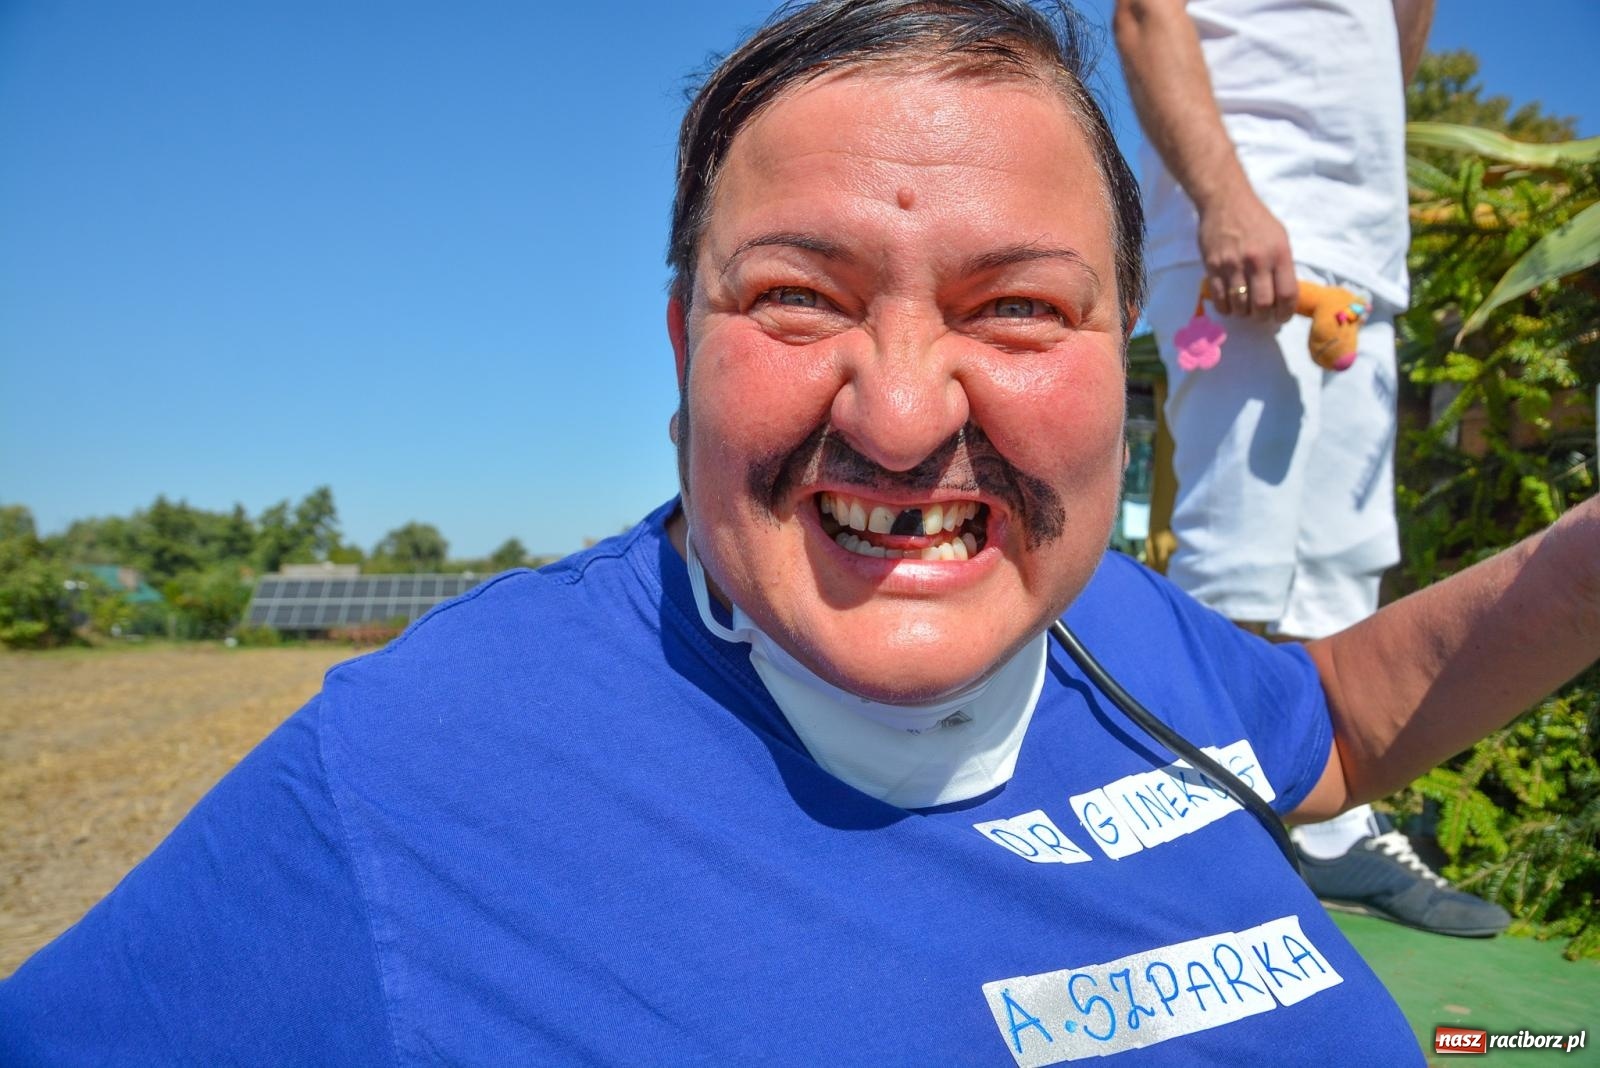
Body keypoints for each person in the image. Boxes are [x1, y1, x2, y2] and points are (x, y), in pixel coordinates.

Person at [2, 1, 1595, 1064]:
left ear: (1121, 366)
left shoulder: (1107, 622)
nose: (903, 419)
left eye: (1019, 309)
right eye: (796, 299)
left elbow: (1337, 723)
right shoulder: (427, 770)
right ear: (682, 345)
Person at [1109, 0, 1507, 937]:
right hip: (1248, 216)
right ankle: (1201, 817)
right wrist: (1224, 198)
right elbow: (1145, 14)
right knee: (1236, 548)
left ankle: (1332, 834)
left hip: (1362, 243)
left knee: (1343, 552)